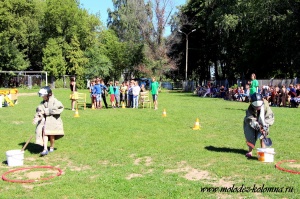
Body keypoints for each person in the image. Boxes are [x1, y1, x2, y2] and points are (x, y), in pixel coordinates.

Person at [33, 86, 64, 156]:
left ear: (48, 95)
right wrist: (37, 117)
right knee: (45, 133)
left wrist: (48, 111)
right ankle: (45, 149)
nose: (42, 97)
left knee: (51, 136)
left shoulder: (55, 101)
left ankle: (52, 146)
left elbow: (59, 108)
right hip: (45, 122)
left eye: (43, 95)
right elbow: (40, 109)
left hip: (53, 122)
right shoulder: (43, 102)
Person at [243, 93, 274, 158]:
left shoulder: (266, 106)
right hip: (250, 123)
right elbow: (250, 118)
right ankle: (250, 151)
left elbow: (270, 117)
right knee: (250, 135)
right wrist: (258, 125)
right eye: (256, 107)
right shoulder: (250, 108)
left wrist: (265, 126)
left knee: (263, 134)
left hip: (264, 122)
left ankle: (263, 150)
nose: (257, 108)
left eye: (259, 107)